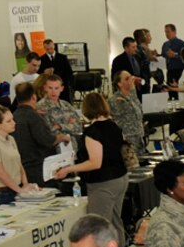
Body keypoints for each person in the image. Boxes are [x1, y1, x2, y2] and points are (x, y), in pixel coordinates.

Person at [55, 91, 129, 236]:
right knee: (115, 221)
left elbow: (95, 163)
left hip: (103, 182)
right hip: (121, 177)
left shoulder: (93, 132)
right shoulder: (114, 125)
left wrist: (68, 169)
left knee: (99, 226)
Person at [11, 82, 58, 187]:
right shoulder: (34, 117)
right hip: (38, 169)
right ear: (34, 97)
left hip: (19, 169)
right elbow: (47, 140)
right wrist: (60, 138)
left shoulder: (13, 117)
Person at [0, 105, 29, 204]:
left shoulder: (11, 139)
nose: (14, 123)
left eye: (13, 119)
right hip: (3, 193)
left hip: (16, 188)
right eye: (9, 121)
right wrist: (19, 190)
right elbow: (0, 172)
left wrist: (25, 183)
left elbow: (18, 163)